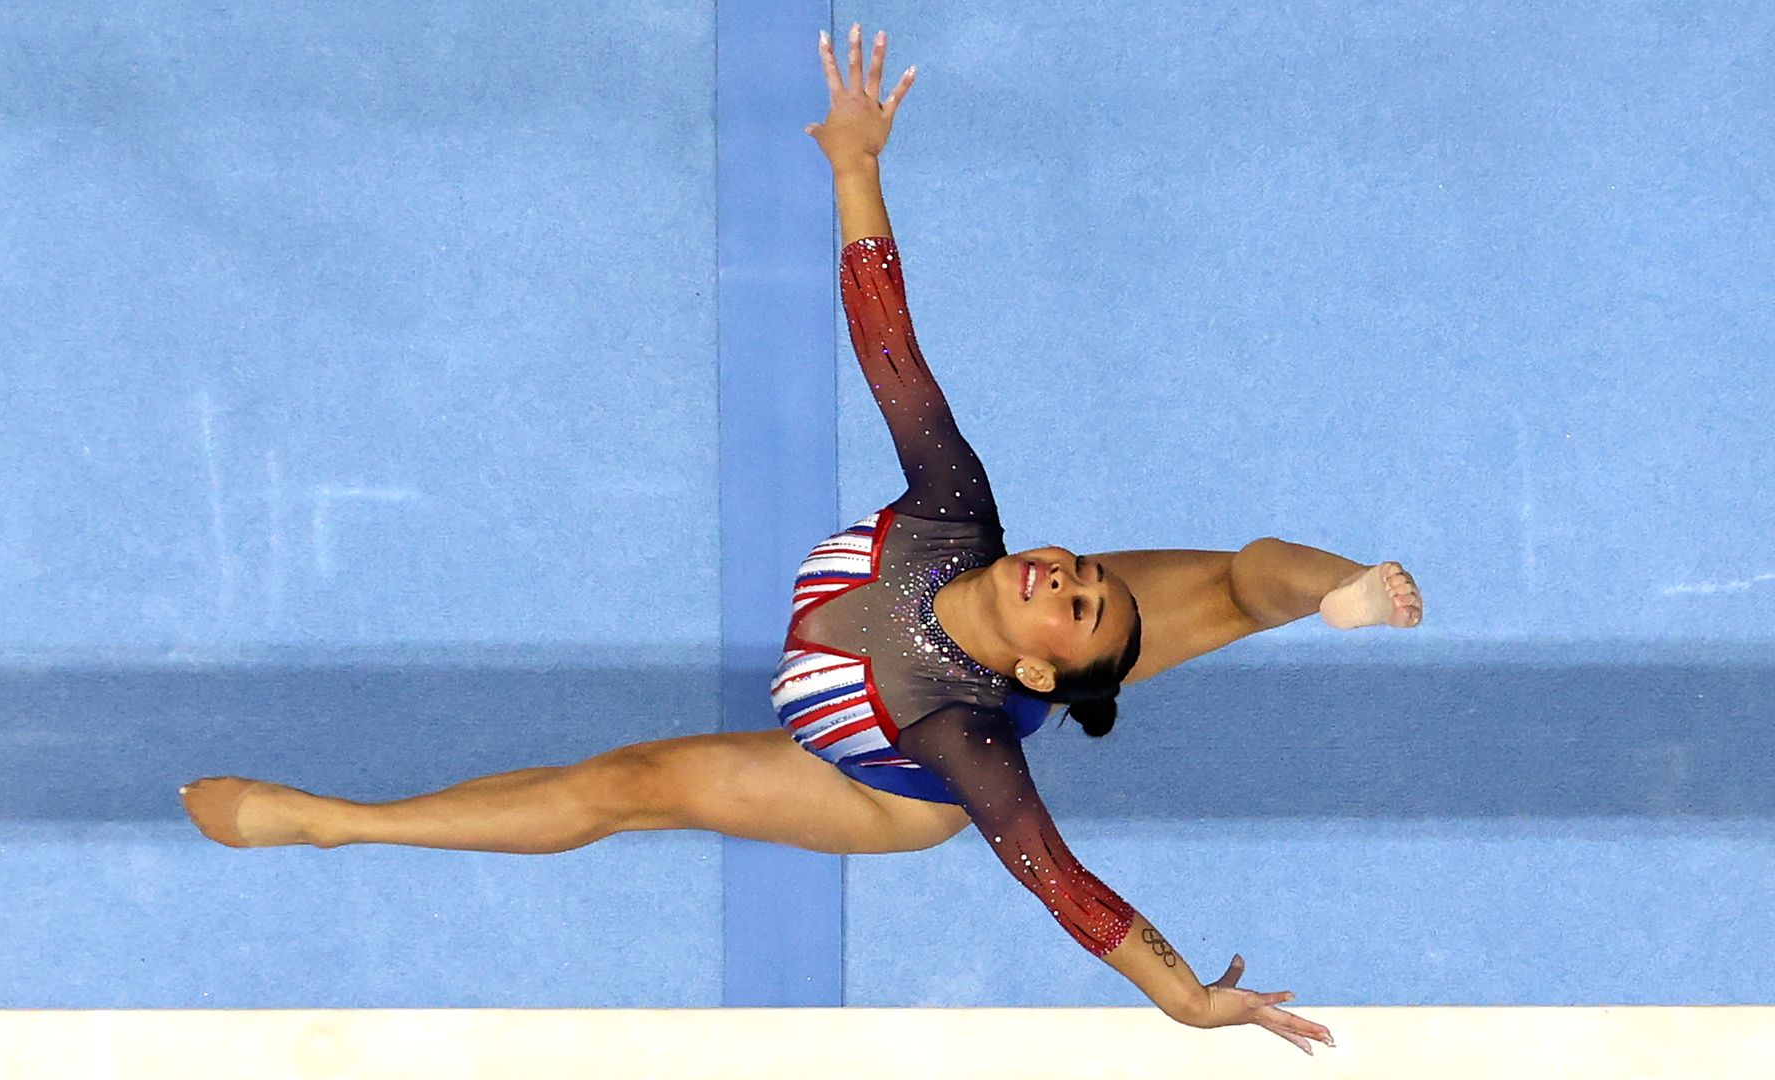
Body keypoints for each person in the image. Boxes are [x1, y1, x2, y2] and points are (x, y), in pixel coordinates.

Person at [184, 25, 1419, 1055]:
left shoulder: (966, 742)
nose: (1073, 574)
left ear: (1038, 669)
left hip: (874, 780)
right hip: (927, 667)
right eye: (1087, 570)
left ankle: (338, 818)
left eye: (1079, 604)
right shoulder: (956, 509)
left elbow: (1061, 883)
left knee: (628, 789)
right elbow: (889, 343)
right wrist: (855, 164)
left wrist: (1193, 997)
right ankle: (1347, 591)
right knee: (1258, 572)